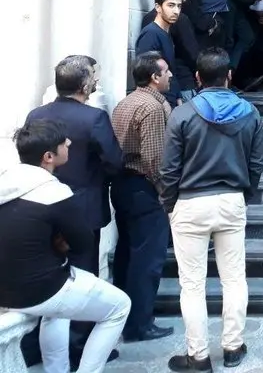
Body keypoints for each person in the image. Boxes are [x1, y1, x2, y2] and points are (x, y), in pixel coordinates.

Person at [160, 47, 263, 371]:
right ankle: (233, 347)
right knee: (234, 279)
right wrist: (244, 195)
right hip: (231, 199)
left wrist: (170, 205)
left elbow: (169, 169)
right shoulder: (249, 112)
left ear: (197, 77)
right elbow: (257, 163)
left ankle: (199, 355)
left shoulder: (182, 114)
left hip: (190, 202)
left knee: (192, 285)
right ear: (229, 76)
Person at [0, 120, 131, 373]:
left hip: (6, 288)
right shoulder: (54, 193)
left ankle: (57, 370)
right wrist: (59, 243)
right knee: (119, 306)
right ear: (48, 157)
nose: (69, 143)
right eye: (63, 143)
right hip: (40, 289)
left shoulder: (6, 182)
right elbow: (83, 244)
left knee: (59, 312)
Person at [25, 55, 124, 366]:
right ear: (84, 85)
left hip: (40, 204)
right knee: (84, 275)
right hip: (83, 208)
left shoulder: (36, 114)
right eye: (93, 76)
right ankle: (79, 345)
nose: (96, 81)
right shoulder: (94, 118)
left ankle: (36, 345)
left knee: (45, 273)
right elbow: (114, 161)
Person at [110, 52, 175, 342]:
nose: (170, 75)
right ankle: (140, 324)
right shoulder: (151, 107)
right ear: (154, 77)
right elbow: (154, 159)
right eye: (166, 71)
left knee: (127, 254)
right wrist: (166, 193)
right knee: (147, 259)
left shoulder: (126, 102)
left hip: (123, 185)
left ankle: (124, 318)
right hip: (143, 188)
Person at [136, 0, 183, 107]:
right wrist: (163, 103)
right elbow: (145, 77)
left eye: (179, 6)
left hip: (170, 101)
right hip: (158, 104)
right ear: (158, 7)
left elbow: (171, 71)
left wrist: (178, 98)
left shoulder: (165, 32)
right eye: (171, 5)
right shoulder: (151, 34)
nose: (176, 11)